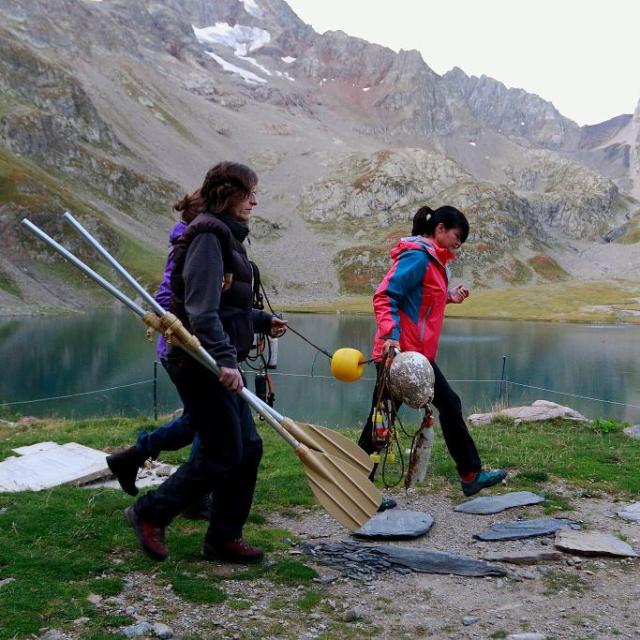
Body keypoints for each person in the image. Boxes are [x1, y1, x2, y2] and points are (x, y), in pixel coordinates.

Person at [125, 162, 287, 563]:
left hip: (215, 360)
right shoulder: (208, 237)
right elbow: (201, 311)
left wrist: (262, 320)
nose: (254, 200)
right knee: (222, 452)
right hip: (198, 363)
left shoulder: (226, 236)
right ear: (226, 193)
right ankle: (150, 512)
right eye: (248, 192)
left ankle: (223, 537)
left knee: (247, 449)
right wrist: (227, 361)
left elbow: (228, 309)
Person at [358, 205, 507, 497]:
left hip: (419, 359)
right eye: (457, 235)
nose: (459, 243)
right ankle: (356, 487)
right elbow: (386, 295)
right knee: (383, 420)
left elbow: (420, 302)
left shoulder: (434, 261)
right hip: (399, 355)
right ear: (440, 229)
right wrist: (390, 335)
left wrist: (448, 298)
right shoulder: (418, 256)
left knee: (448, 405)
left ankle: (470, 475)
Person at [107, 192, 208, 517]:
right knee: (209, 421)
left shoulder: (195, 241)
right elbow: (165, 294)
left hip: (193, 349)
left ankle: (134, 457)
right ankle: (166, 491)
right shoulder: (188, 245)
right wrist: (174, 322)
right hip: (185, 350)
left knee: (203, 421)